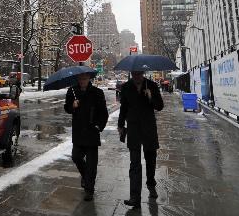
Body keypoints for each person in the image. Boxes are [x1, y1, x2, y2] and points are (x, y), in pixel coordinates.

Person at [118, 71, 164, 208]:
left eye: (139, 74)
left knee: (151, 160)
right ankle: (135, 197)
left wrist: (151, 97)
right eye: (134, 74)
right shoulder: (126, 87)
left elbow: (160, 106)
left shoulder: (152, 85)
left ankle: (151, 184)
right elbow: (123, 107)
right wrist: (120, 124)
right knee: (135, 164)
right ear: (132, 74)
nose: (136, 76)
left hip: (148, 127)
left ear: (143, 73)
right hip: (133, 128)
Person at [63, 71, 108, 201]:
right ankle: (85, 176)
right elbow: (67, 108)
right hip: (78, 132)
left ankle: (89, 189)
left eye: (85, 78)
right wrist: (72, 106)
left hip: (92, 132)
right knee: (76, 157)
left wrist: (99, 126)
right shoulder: (72, 91)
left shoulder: (97, 93)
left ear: (89, 78)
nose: (83, 80)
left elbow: (103, 113)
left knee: (92, 164)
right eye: (81, 78)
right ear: (78, 79)